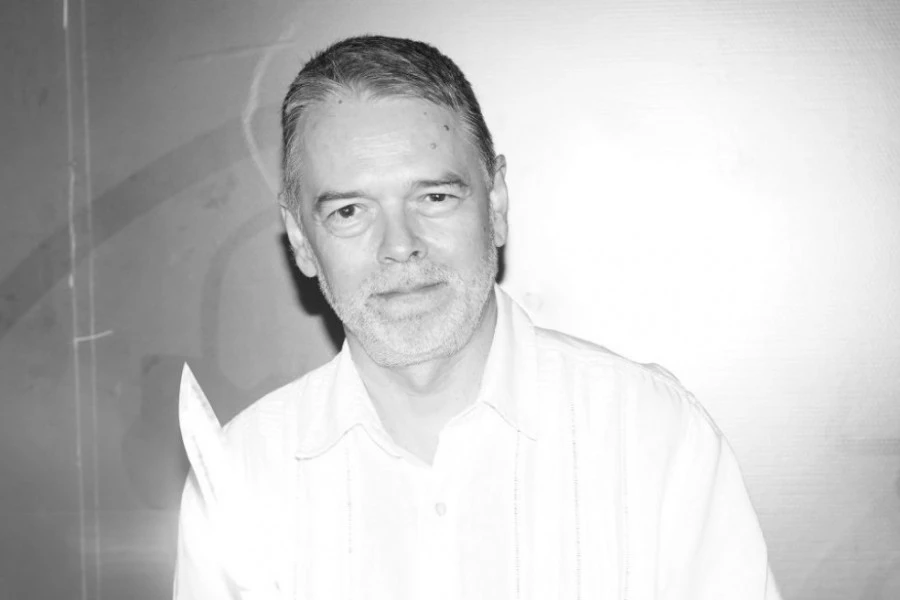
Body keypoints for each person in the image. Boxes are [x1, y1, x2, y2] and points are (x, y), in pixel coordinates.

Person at [174, 34, 782, 600]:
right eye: (350, 211)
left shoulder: (653, 434)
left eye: (434, 197)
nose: (400, 245)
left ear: (495, 205)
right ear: (301, 240)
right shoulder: (240, 474)